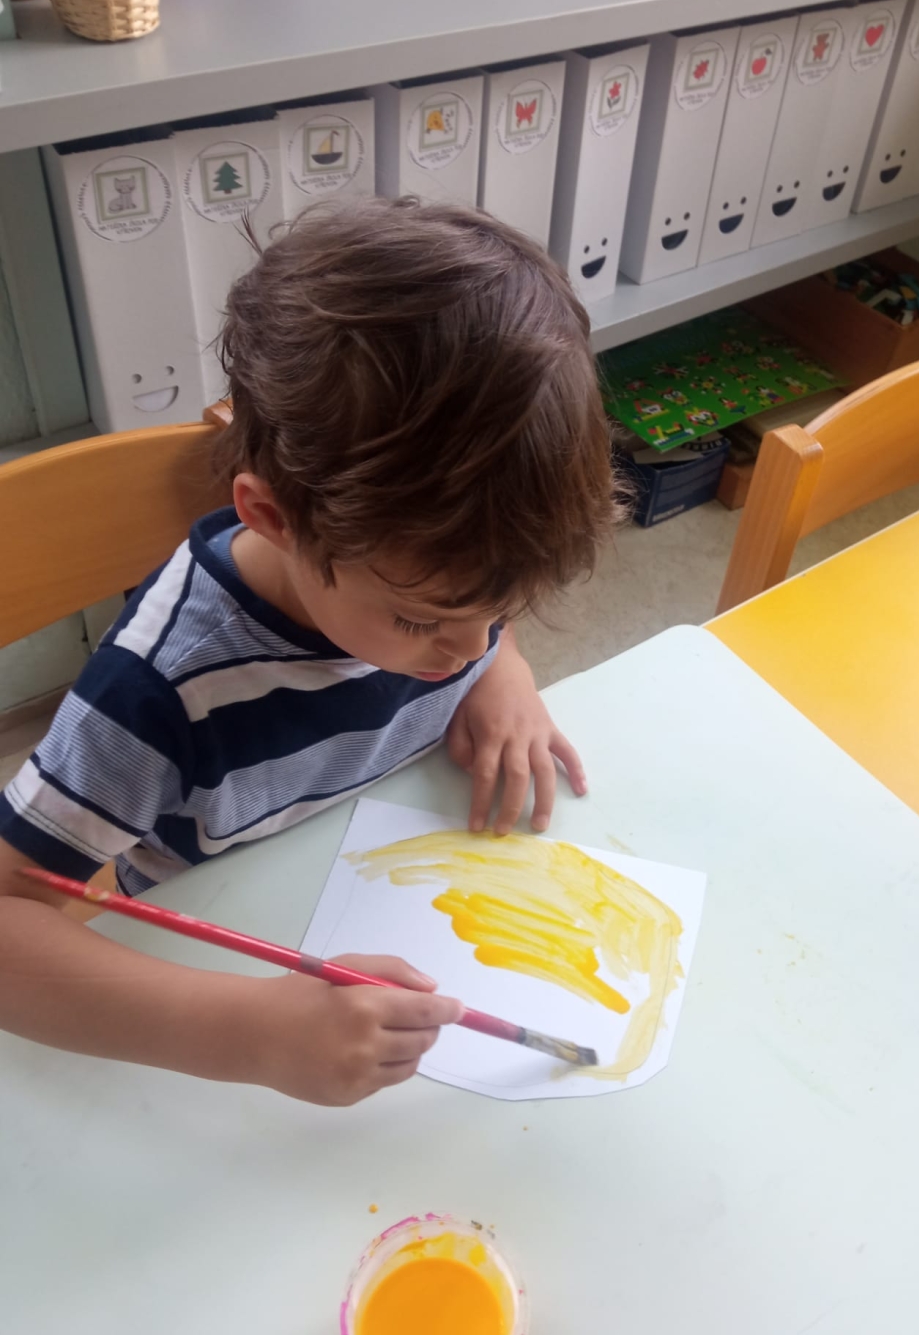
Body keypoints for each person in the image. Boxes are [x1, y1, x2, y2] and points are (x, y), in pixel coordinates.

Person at [0, 198, 619, 1106]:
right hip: (230, 966)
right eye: (422, 621)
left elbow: (467, 612)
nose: (465, 649)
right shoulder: (158, 690)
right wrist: (249, 1035)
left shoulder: (435, 591)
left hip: (372, 859)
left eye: (504, 609)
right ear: (272, 517)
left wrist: (506, 672)